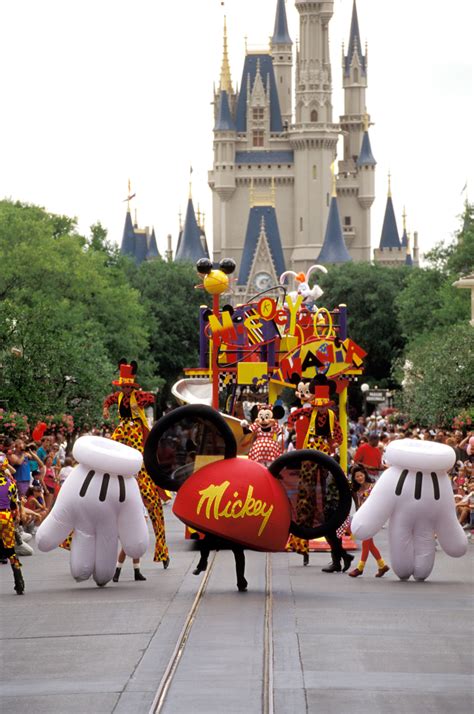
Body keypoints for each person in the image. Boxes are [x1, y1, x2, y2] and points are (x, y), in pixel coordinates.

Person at [103, 359, 169, 570]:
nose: (125, 389)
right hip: (123, 428)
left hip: (134, 429)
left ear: (132, 386)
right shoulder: (119, 396)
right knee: (112, 445)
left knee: (138, 455)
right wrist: (106, 410)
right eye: (123, 387)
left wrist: (144, 400)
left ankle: (161, 550)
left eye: (128, 387)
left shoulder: (136, 397)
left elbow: (149, 397)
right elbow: (108, 401)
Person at [348, 464, 390, 578]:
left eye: (360, 475)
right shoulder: (357, 489)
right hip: (363, 518)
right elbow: (359, 505)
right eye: (357, 477)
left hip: (373, 517)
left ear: (364, 475)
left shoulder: (373, 486)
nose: (359, 478)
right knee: (369, 543)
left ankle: (360, 568)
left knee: (366, 541)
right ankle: (382, 565)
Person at [0, 454, 25, 594]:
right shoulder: (11, 483)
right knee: (10, 550)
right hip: (6, 516)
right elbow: (15, 505)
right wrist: (17, 518)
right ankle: (19, 581)